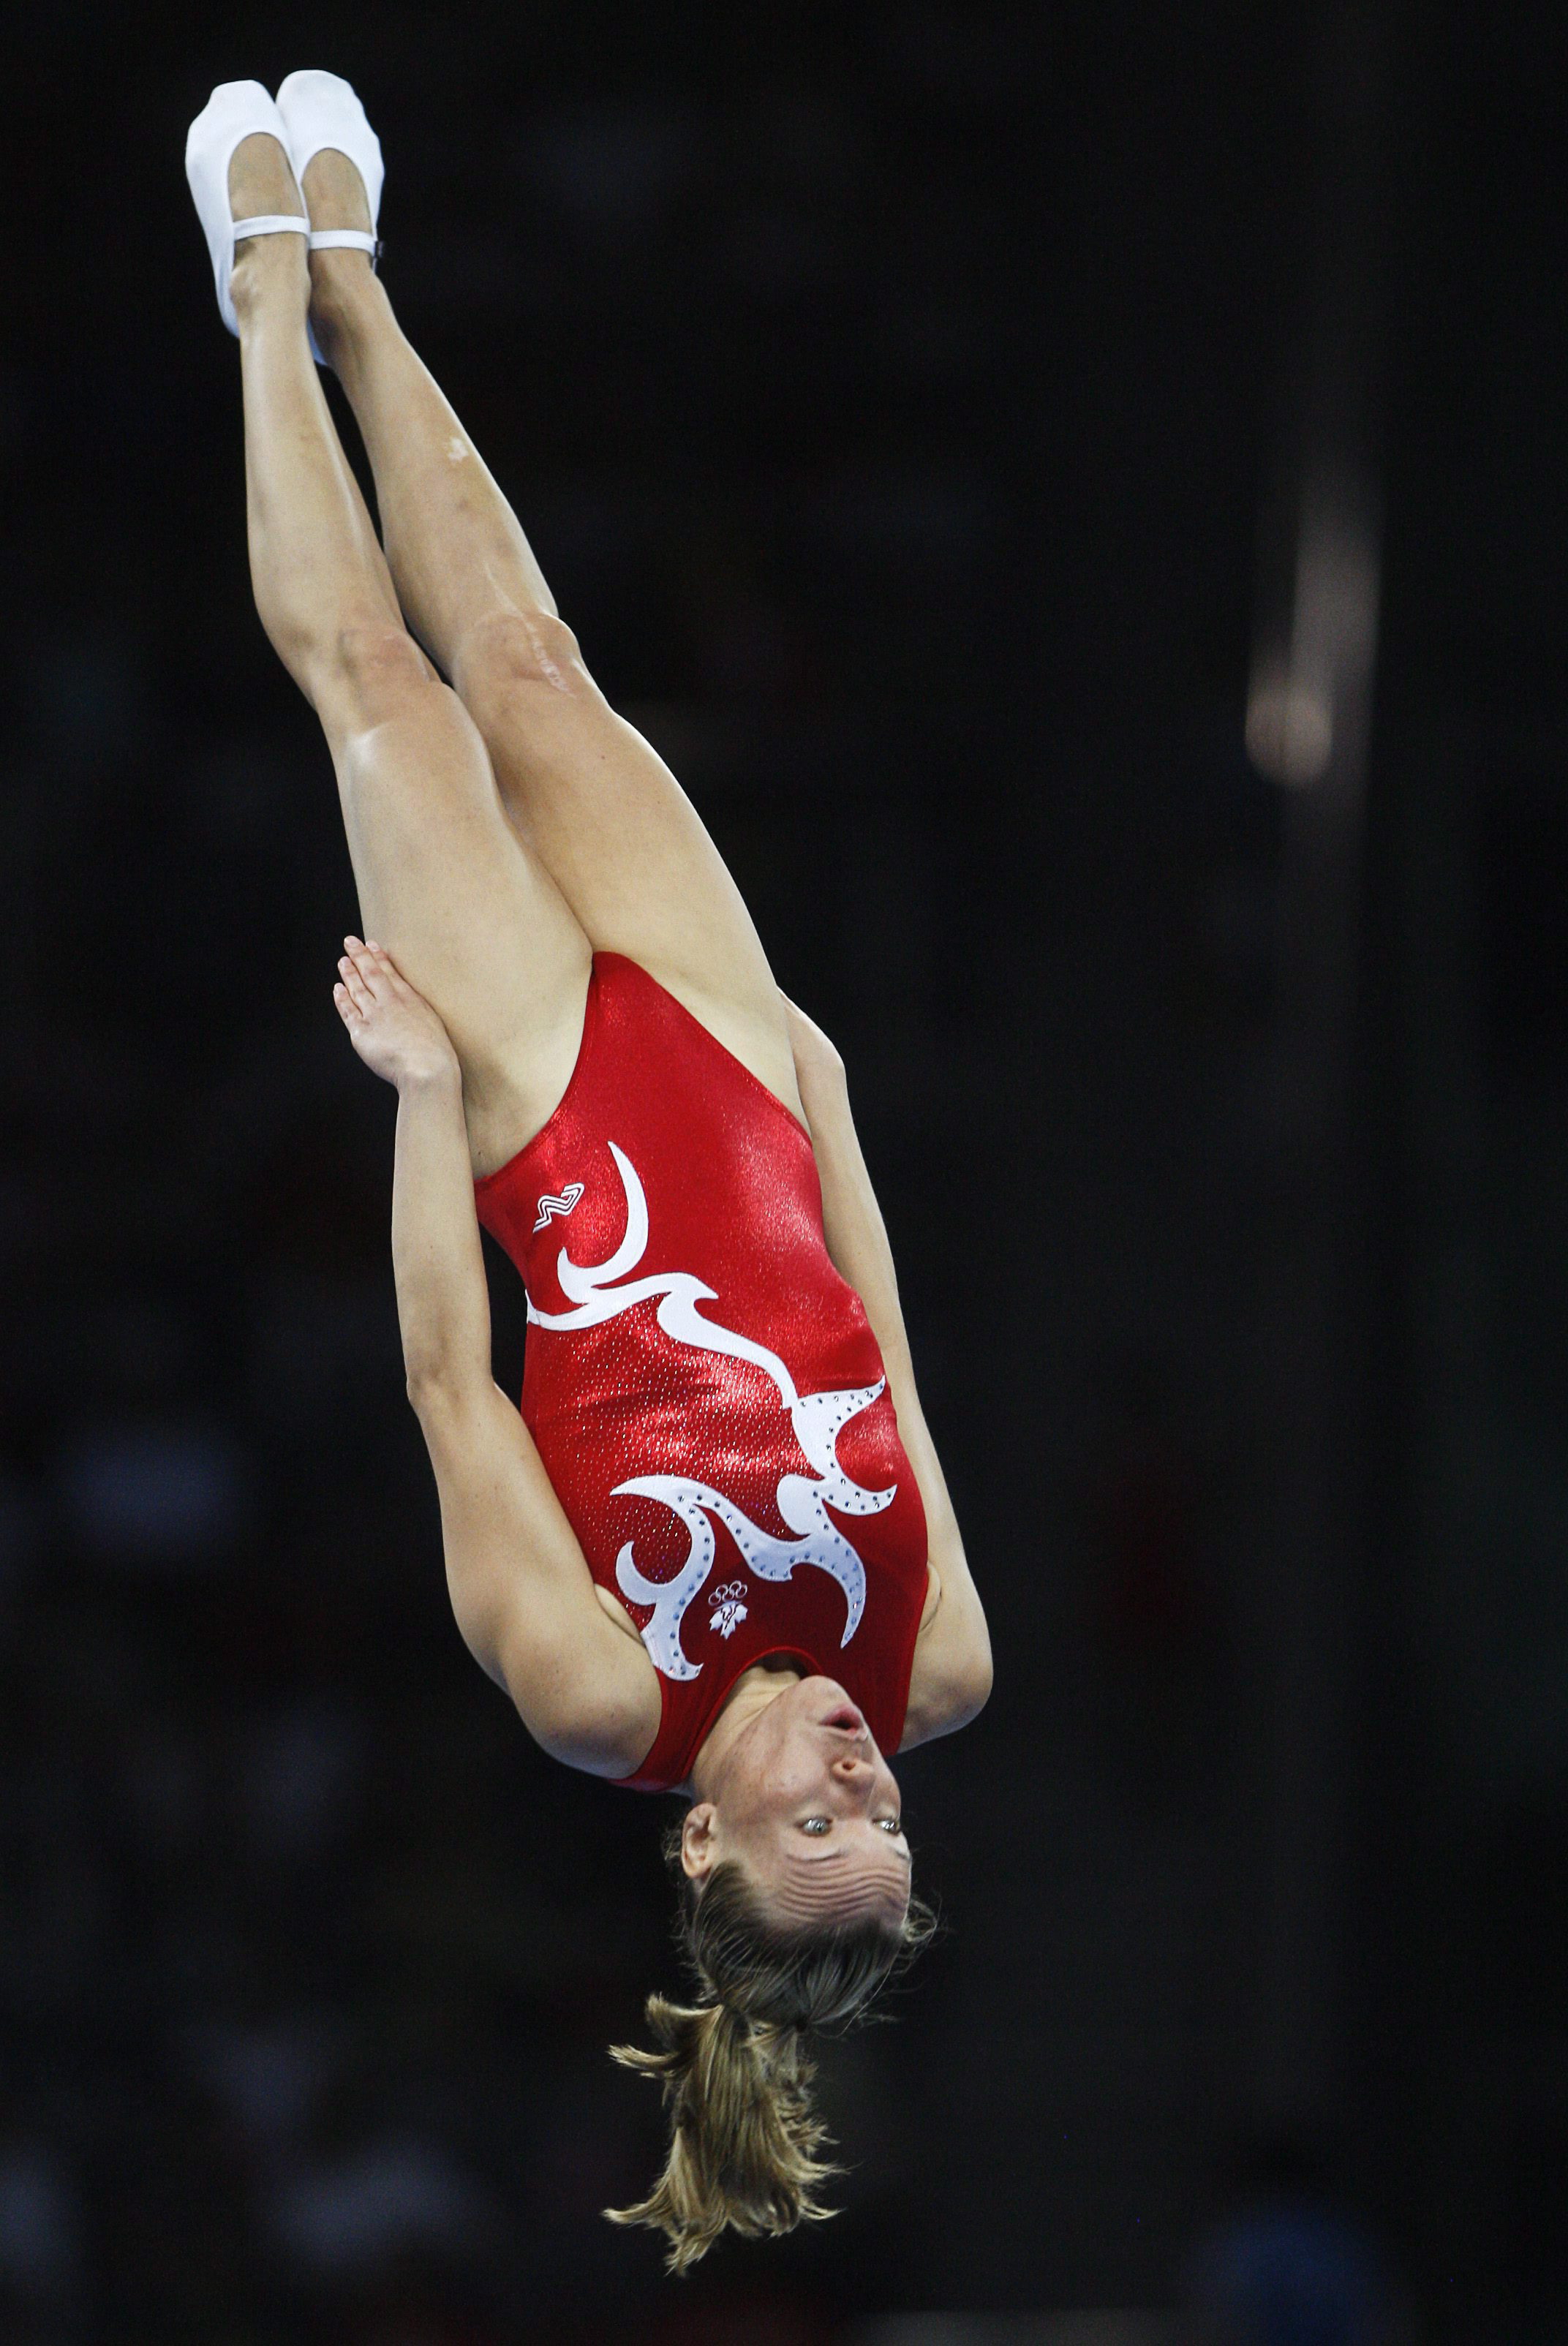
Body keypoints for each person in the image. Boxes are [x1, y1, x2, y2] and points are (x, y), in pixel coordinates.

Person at [185, 72, 992, 2271]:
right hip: (726, 1077)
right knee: (535, 665)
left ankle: (255, 292)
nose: (860, 1764)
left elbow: (458, 1397)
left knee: (387, 695)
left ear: (709, 1859)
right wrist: (824, 1107)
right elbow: (889, 1378)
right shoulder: (936, 1663)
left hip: (541, 1119)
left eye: (820, 1814)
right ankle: (356, 278)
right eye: (886, 1811)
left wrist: (422, 1108)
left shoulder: (598, 1701)